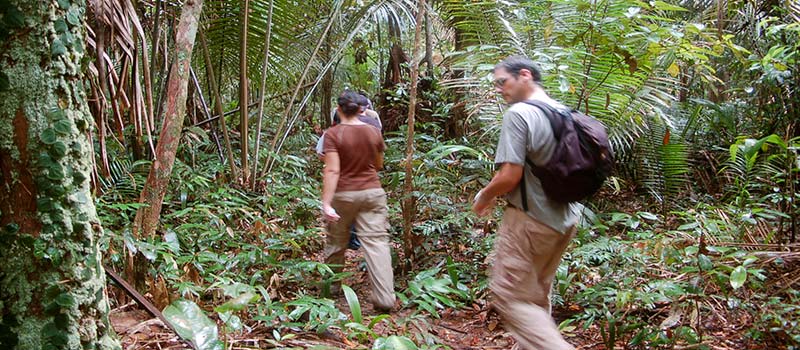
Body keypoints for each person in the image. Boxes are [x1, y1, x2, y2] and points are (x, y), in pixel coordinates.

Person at [472, 55, 582, 350]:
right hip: (565, 220)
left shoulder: (519, 113)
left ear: (524, 75)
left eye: (502, 81)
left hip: (531, 220)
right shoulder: (563, 111)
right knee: (534, 295)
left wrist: (483, 196)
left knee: (509, 296)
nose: (499, 89)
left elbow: (509, 175)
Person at [321, 90, 395, 312]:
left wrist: (326, 203)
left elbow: (332, 170)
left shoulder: (333, 134)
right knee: (377, 244)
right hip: (372, 192)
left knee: (336, 242)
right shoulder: (374, 132)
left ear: (339, 108)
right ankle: (384, 298)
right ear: (361, 109)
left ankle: (331, 290)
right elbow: (379, 164)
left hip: (343, 194)